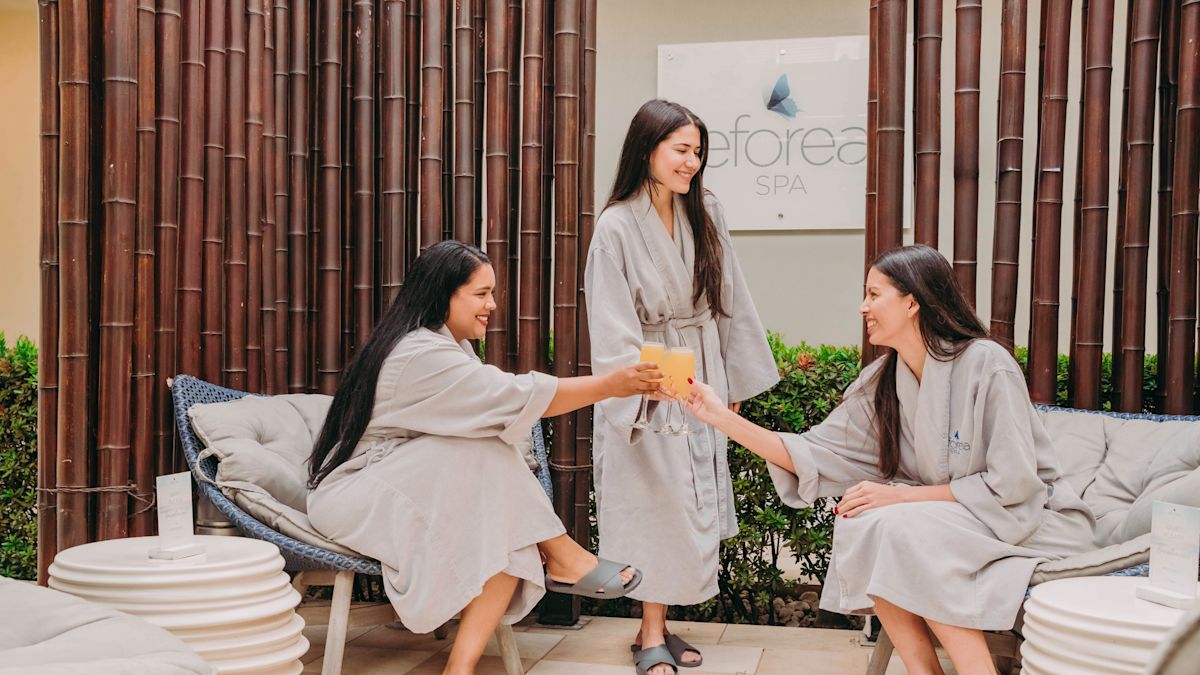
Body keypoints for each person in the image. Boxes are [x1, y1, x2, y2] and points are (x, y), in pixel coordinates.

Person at [683, 244, 1096, 675]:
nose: (863, 307)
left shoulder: (988, 365)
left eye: (874, 294)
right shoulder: (882, 382)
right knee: (862, 520)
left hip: (1032, 521)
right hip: (955, 521)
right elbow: (812, 452)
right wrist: (719, 417)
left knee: (905, 529)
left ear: (912, 302)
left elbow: (1013, 484)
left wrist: (901, 498)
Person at [307, 240, 659, 675]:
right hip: (356, 494)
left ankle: (460, 668)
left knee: (508, 533)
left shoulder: (447, 347)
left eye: (492, 293)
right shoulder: (419, 353)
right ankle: (563, 552)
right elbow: (511, 396)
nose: (492, 305)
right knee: (491, 464)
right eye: (481, 293)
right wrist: (611, 385)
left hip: (406, 484)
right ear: (443, 294)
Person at [584, 99, 780, 675]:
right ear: (647, 149)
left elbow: (731, 296)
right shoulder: (616, 226)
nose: (692, 162)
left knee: (686, 503)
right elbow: (611, 322)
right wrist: (643, 386)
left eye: (698, 151)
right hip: (647, 383)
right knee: (654, 503)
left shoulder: (706, 210)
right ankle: (649, 632)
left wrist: (731, 380)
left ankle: (658, 625)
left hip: (700, 373)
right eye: (681, 150)